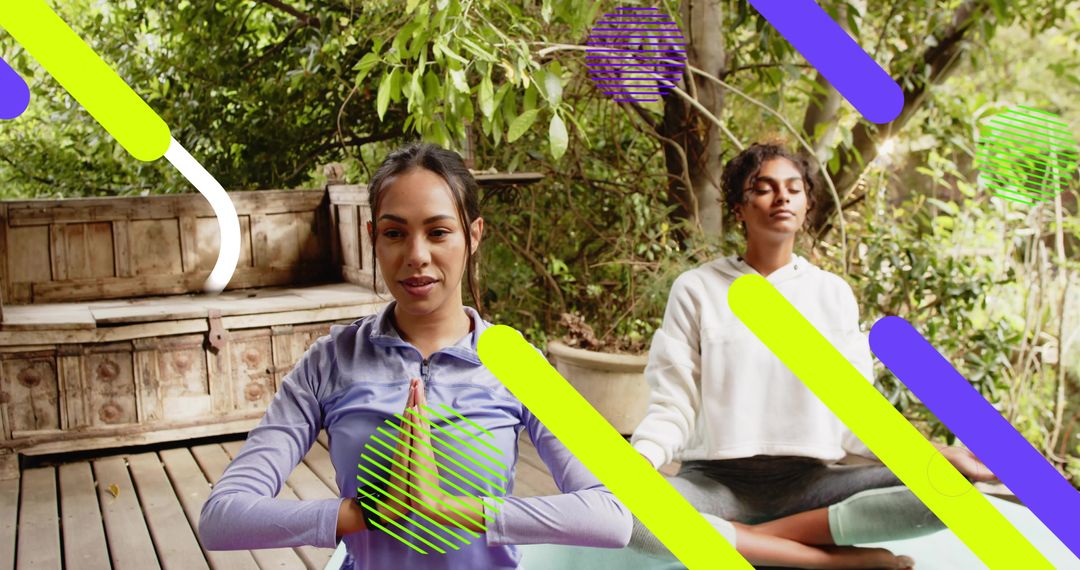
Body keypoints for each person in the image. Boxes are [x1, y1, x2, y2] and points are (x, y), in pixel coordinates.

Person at [199, 142, 632, 569]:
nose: (416, 256)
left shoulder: (519, 364)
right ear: (373, 238)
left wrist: (451, 510)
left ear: (474, 236)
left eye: (438, 232)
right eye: (395, 233)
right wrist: (364, 514)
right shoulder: (330, 361)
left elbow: (612, 516)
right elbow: (222, 518)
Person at [627, 142, 994, 567]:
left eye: (793, 188)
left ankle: (756, 542)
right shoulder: (697, 288)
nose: (781, 197)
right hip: (716, 487)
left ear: (806, 205)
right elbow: (674, 403)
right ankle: (831, 561)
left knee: (955, 490)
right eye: (763, 188)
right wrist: (638, 462)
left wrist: (931, 454)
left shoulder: (831, 294)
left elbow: (856, 414)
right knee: (631, 514)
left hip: (812, 488)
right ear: (739, 208)